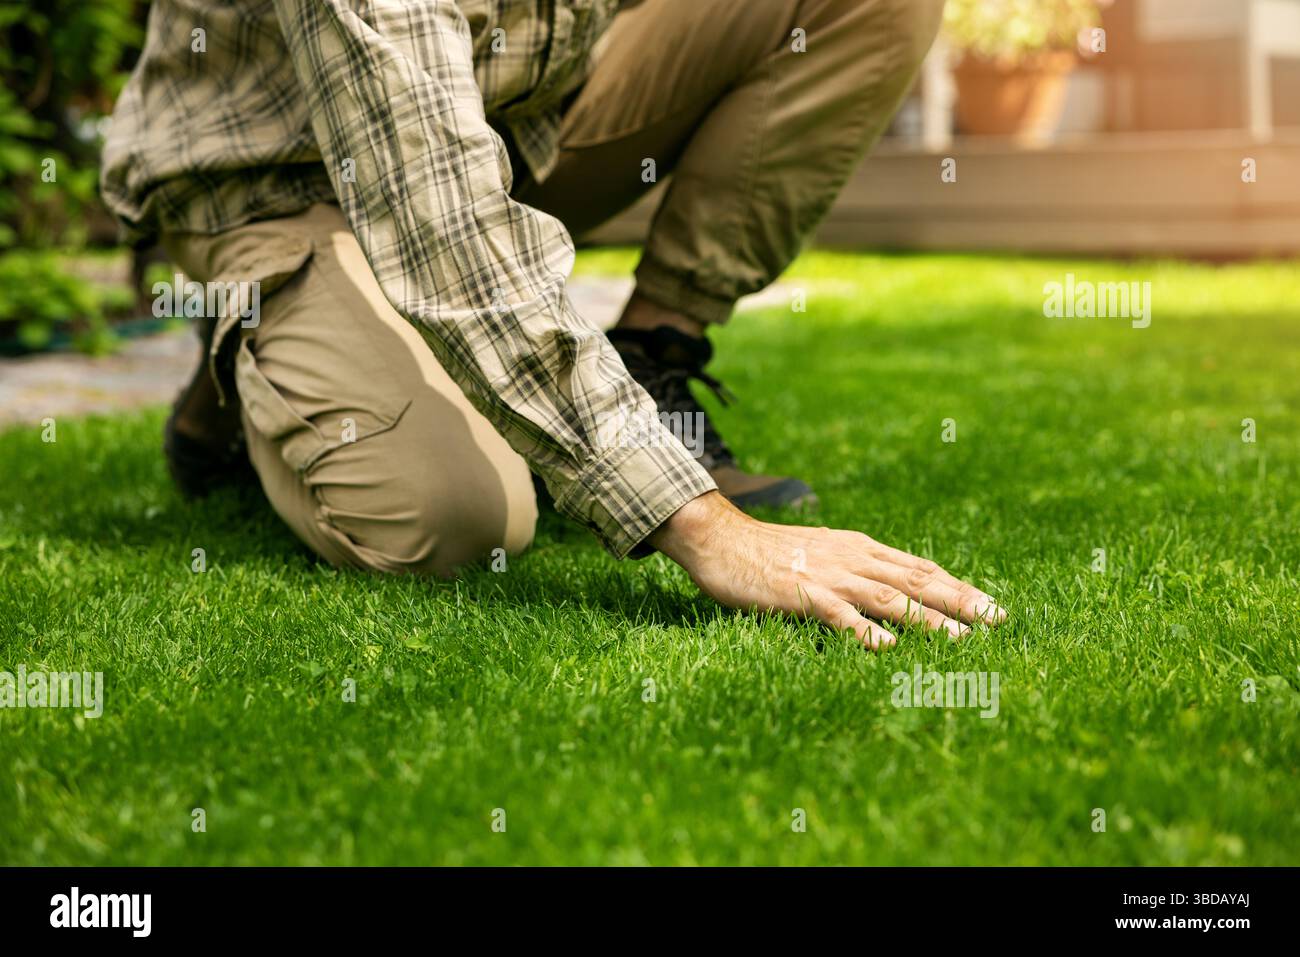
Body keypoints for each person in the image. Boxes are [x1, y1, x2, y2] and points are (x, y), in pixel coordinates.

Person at [101, 0, 1005, 648]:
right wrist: (706, 527)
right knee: (458, 521)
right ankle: (252, 347)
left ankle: (651, 355)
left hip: (508, 127)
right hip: (280, 186)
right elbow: (439, 222)